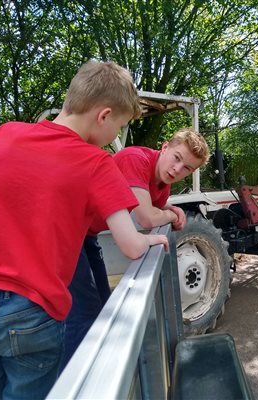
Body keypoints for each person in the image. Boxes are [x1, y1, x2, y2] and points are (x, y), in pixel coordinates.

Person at [0, 60, 168, 400]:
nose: (115, 135)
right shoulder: (97, 162)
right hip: (34, 311)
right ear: (103, 115)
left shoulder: (6, 133)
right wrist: (150, 237)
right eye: (119, 125)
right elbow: (130, 246)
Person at [61, 128, 210, 369]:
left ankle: (96, 370)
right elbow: (147, 218)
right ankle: (73, 382)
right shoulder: (136, 160)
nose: (177, 169)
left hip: (87, 235)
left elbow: (155, 208)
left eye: (187, 169)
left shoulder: (162, 183)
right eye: (177, 158)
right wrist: (171, 215)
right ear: (164, 147)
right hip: (67, 232)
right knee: (83, 316)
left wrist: (171, 210)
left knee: (102, 306)